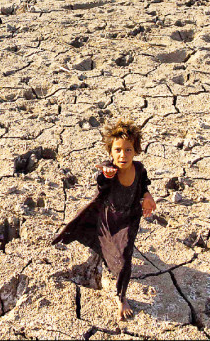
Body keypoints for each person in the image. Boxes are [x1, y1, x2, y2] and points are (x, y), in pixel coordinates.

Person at [52, 119, 156, 320]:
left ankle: (121, 296)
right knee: (108, 247)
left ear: (136, 151)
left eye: (128, 150)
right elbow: (101, 186)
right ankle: (107, 262)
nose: (122, 154)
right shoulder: (110, 171)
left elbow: (143, 185)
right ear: (110, 152)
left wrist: (147, 196)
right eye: (117, 150)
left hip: (130, 219)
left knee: (125, 258)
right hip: (109, 218)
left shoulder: (140, 169)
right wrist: (106, 177)